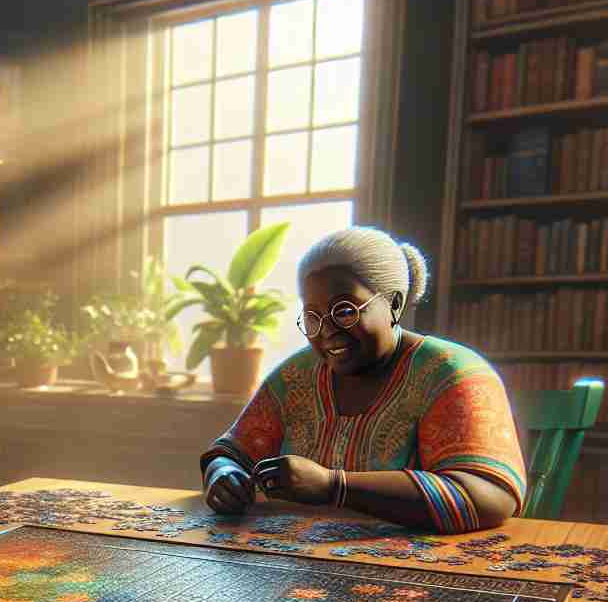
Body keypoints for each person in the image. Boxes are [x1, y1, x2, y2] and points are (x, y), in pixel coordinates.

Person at [200, 225, 526, 532]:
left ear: (394, 304)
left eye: (344, 311)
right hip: (300, 565)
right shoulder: (296, 374)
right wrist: (225, 476)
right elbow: (230, 453)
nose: (326, 332)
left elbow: (491, 497)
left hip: (419, 576)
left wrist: (335, 486)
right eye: (313, 316)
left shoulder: (451, 373)